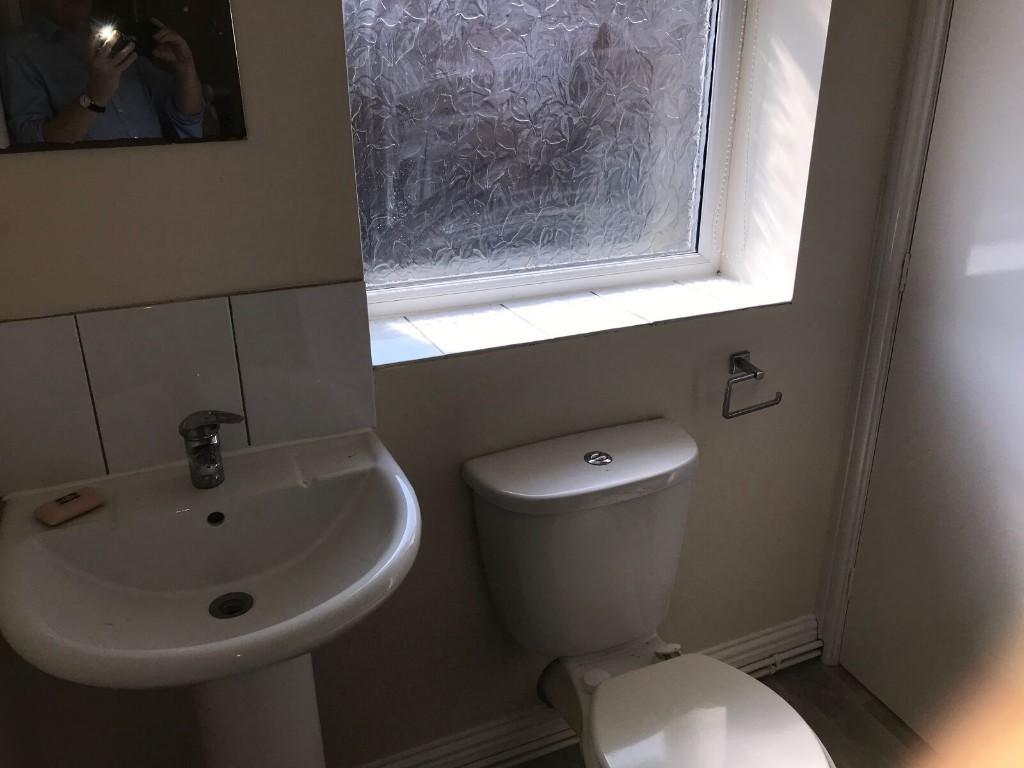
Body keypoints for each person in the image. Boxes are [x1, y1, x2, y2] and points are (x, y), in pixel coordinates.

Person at [0, 0, 203, 145]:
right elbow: (33, 146)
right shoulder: (20, 50)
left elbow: (187, 117)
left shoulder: (118, 38)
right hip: (94, 187)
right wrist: (94, 97)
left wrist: (185, 67)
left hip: (161, 176)